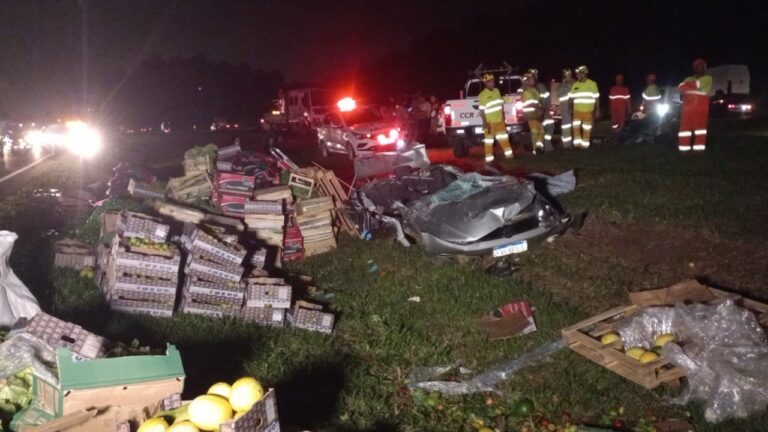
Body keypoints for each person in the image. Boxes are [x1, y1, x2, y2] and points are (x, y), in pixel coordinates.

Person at [678, 58, 712, 152]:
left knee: (700, 129)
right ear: (695, 68)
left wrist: (686, 88)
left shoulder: (708, 78)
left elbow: (695, 84)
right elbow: (680, 87)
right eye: (700, 67)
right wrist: (686, 87)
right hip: (687, 109)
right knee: (685, 129)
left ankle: (699, 149)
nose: (703, 69)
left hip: (701, 108)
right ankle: (684, 149)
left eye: (704, 67)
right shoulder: (689, 78)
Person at [478, 73, 513, 162]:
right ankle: (489, 159)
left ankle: (510, 156)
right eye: (489, 82)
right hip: (490, 123)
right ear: (485, 83)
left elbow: (501, 104)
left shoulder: (497, 91)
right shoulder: (482, 95)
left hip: (499, 121)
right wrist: (485, 122)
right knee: (489, 142)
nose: (492, 83)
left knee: (504, 139)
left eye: (493, 81)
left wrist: (503, 115)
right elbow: (482, 110)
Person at [569, 65, 600, 148]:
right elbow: (571, 98)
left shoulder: (592, 84)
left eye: (578, 74)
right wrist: (570, 108)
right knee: (576, 128)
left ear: (584, 74)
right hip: (576, 111)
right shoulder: (575, 84)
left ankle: (585, 146)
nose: (577, 76)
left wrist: (597, 110)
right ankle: (577, 145)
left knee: (586, 129)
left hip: (588, 111)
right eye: (576, 74)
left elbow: (596, 98)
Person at [528, 68, 554, 151]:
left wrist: (546, 108)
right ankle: (544, 148)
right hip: (539, 113)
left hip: (540, 112)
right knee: (543, 131)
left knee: (544, 130)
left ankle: (543, 148)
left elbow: (546, 98)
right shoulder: (535, 88)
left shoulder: (535, 87)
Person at [521, 73, 544, 153]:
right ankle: (536, 150)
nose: (533, 80)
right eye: (531, 79)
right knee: (535, 132)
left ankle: (538, 148)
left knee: (540, 132)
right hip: (532, 115)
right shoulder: (527, 91)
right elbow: (531, 103)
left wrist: (540, 110)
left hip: (536, 113)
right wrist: (539, 110)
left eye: (533, 79)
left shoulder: (533, 89)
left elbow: (537, 101)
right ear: (527, 81)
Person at [556, 68, 575, 148]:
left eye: (569, 75)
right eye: (567, 75)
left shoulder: (574, 83)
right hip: (564, 108)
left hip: (574, 106)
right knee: (566, 126)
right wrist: (564, 85)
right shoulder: (561, 85)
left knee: (574, 125)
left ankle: (574, 142)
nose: (568, 77)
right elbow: (558, 95)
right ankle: (567, 144)